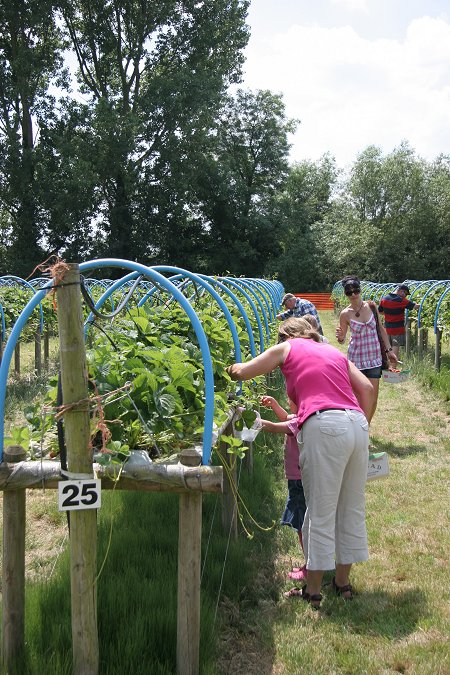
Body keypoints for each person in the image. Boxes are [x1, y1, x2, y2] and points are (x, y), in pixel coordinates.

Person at [227, 316, 374, 610]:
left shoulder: (287, 348)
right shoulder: (334, 352)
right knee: (351, 507)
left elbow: (243, 373)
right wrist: (363, 426)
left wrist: (228, 369)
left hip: (324, 426)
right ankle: (342, 584)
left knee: (319, 511)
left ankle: (314, 591)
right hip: (357, 424)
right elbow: (368, 390)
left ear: (286, 336)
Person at [260, 394, 308, 589]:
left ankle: (310, 565)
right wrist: (275, 405)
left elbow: (274, 427)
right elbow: (284, 419)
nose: (289, 402)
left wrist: (251, 420)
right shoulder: (300, 418)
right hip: (298, 479)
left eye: (292, 399)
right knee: (302, 524)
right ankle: (311, 562)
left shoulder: (301, 422)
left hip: (299, 481)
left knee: (302, 525)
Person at [335, 276, 397, 423]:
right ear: (346, 294)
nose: (353, 294)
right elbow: (342, 340)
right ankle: (358, 426)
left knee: (373, 397)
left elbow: (381, 330)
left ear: (360, 289)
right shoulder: (345, 314)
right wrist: (340, 336)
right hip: (356, 360)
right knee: (357, 397)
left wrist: (389, 350)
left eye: (355, 290)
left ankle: (365, 426)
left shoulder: (371, 306)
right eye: (349, 292)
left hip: (374, 357)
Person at [378, 284, 419, 357]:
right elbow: (415, 306)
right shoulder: (402, 301)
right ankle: (393, 367)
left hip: (387, 327)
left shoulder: (384, 299)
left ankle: (388, 365)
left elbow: (380, 311)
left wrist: (389, 314)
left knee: (388, 346)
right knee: (395, 346)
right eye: (405, 294)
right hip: (397, 328)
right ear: (401, 291)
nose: (405, 296)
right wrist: (418, 304)